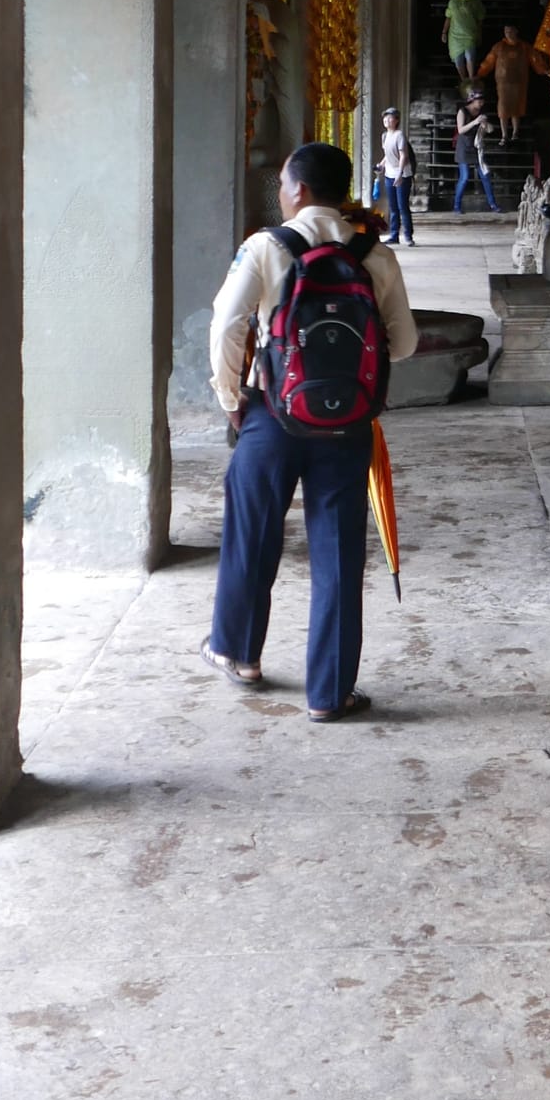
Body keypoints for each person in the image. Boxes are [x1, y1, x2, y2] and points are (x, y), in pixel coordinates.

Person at [204, 141, 418, 720]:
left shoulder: (266, 248)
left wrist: (231, 398)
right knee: (340, 553)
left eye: (281, 184)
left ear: (297, 189)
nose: (279, 193)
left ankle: (238, 654)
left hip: (272, 416)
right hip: (348, 426)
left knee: (252, 533)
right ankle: (329, 693)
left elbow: (225, 324)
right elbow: (404, 345)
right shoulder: (375, 256)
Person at [478, 20, 533, 142]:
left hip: (519, 83)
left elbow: (535, 59)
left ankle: (515, 133)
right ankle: (504, 135)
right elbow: (489, 61)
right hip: (503, 84)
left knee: (516, 108)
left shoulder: (524, 47)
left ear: (516, 31)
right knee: (503, 108)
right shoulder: (499, 46)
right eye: (506, 31)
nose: (508, 33)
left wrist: (545, 70)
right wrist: (480, 73)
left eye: (510, 31)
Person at [453, 91, 501, 213]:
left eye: (482, 102)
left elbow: (490, 130)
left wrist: (485, 123)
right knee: (464, 177)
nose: (481, 104)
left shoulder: (481, 113)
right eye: (479, 101)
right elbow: (461, 130)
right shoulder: (462, 111)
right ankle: (457, 206)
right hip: (464, 147)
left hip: (476, 147)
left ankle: (493, 204)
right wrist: (475, 122)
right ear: (472, 101)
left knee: (485, 175)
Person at [377, 104, 415, 244]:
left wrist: (399, 175)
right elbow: (387, 154)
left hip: (402, 174)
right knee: (393, 207)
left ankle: (408, 236)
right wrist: (381, 165)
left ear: (396, 120)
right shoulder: (385, 136)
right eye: (385, 117)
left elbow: (403, 156)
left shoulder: (399, 135)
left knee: (402, 206)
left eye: (390, 117)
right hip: (389, 173)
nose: (386, 120)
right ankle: (394, 235)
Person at [442, 0, 485, 84]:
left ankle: (471, 78)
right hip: (455, 36)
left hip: (470, 35)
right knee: (458, 60)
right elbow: (448, 17)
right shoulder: (453, 2)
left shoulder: (476, 2)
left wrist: (479, 35)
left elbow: (480, 20)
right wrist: (444, 32)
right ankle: (464, 81)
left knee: (470, 56)